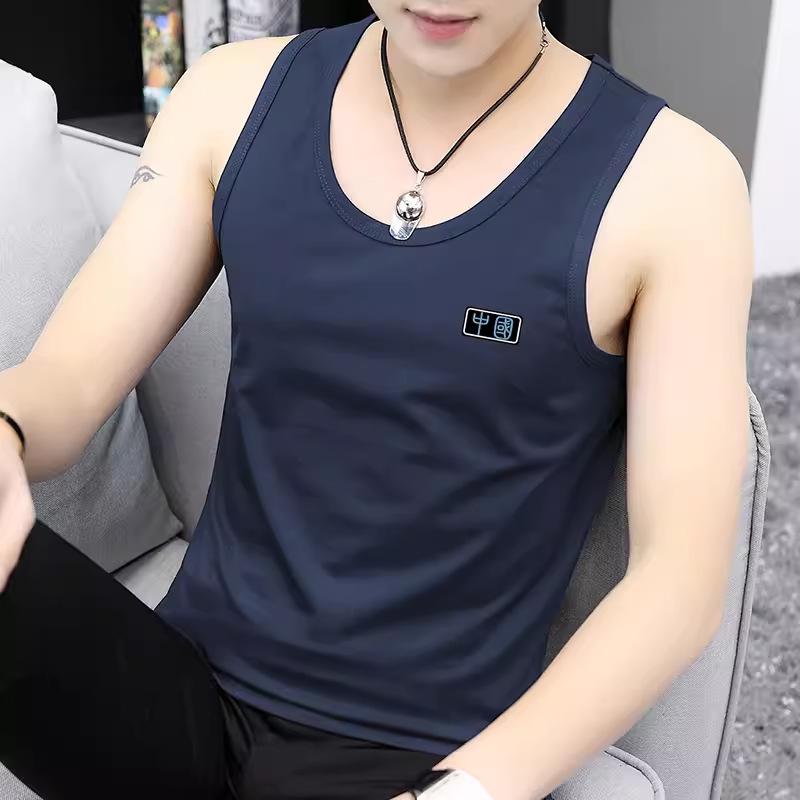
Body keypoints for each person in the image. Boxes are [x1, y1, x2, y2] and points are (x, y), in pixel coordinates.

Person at [0, 2, 754, 800]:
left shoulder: (675, 185)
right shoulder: (229, 96)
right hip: (174, 694)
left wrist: (465, 792)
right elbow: (68, 380)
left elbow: (679, 582)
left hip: (409, 758)